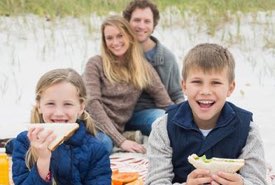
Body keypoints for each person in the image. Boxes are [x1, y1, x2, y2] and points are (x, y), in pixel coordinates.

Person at [145, 43, 268, 185]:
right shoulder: (163, 127)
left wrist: (241, 183)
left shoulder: (248, 130)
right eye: (197, 82)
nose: (205, 91)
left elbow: (258, 181)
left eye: (215, 83)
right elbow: (155, 181)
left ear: (230, 88)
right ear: (184, 86)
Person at [82, 15, 172, 154]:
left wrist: (192, 121)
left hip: (120, 124)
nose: (115, 42)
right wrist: (120, 141)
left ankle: (125, 135)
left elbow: (164, 101)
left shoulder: (142, 67)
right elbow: (92, 103)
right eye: (109, 38)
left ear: (129, 36)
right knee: (103, 145)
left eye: (120, 36)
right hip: (93, 124)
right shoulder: (95, 63)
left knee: (162, 117)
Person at [12, 68, 111, 185]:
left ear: (81, 107)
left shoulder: (96, 149)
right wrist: (43, 160)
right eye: (50, 104)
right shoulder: (24, 142)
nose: (59, 113)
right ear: (39, 106)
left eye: (67, 104)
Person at [123, 0, 184, 135]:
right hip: (119, 114)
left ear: (154, 25)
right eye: (137, 20)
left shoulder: (167, 58)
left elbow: (177, 94)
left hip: (153, 112)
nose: (141, 26)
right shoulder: (118, 51)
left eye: (147, 21)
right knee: (162, 119)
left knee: (166, 118)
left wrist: (182, 113)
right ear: (127, 22)